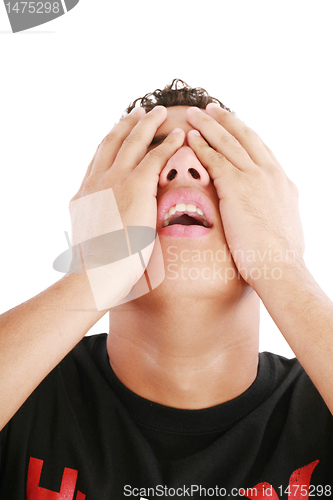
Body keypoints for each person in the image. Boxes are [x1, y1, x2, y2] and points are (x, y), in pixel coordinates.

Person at [0, 79, 333, 499]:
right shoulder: (22, 391)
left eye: (215, 160)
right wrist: (94, 271)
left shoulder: (320, 405)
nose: (181, 168)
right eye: (151, 159)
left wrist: (282, 264)